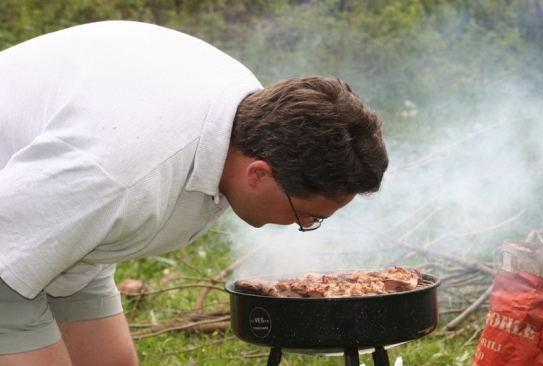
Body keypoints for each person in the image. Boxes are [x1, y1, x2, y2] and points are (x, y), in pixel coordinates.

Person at [0, 20, 388, 365]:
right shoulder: (120, 175)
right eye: (307, 215)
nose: (304, 225)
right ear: (258, 174)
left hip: (66, 229)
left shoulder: (248, 116)